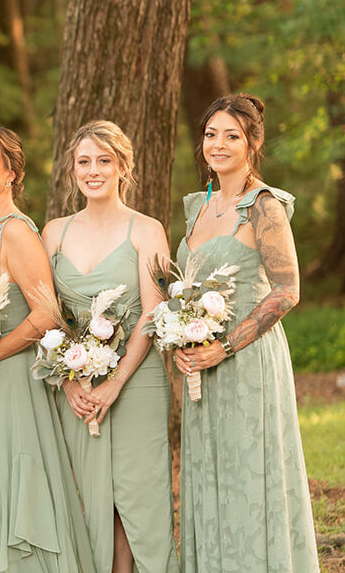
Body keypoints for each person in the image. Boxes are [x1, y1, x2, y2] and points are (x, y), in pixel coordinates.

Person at [0, 124, 94, 573]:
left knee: (15, 507)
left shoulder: (16, 232)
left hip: (8, 390)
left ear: (11, 172)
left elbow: (46, 314)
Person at [173, 94, 319, 571]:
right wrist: (183, 336)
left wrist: (225, 346)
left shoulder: (264, 205)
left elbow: (287, 290)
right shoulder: (200, 205)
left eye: (231, 135)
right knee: (211, 475)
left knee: (249, 475)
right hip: (201, 366)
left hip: (248, 359)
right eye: (211, 134)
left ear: (253, 143)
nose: (218, 144)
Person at [41, 121, 174, 573]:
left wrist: (116, 383)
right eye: (84, 162)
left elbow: (154, 315)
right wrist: (69, 380)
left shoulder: (147, 230)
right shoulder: (54, 233)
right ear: (71, 170)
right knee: (92, 495)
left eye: (104, 161)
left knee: (137, 493)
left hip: (137, 381)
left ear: (123, 167)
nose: (93, 171)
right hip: (74, 384)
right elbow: (47, 315)